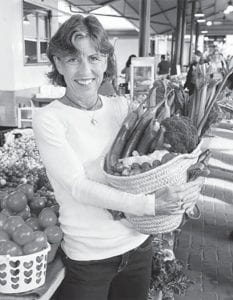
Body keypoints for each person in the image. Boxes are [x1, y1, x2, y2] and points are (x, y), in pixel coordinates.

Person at [32, 14, 203, 300]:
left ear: (106, 62)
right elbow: (77, 186)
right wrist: (151, 204)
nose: (85, 69)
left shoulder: (122, 107)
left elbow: (154, 165)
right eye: (73, 59)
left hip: (138, 247)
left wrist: (187, 181)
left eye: (95, 58)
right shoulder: (49, 119)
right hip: (89, 258)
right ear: (58, 63)